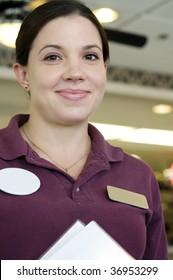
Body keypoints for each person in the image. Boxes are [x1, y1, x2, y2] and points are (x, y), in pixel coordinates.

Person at [0, 0, 168, 260]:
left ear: (104, 70)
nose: (75, 72)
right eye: (53, 57)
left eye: (90, 56)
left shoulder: (138, 175)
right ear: (24, 75)